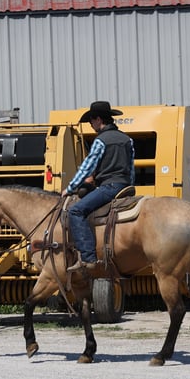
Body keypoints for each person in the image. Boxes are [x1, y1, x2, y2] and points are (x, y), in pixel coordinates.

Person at [62, 101, 135, 271]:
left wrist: (70, 188)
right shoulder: (127, 139)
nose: (91, 124)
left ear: (98, 119)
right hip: (125, 186)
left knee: (76, 211)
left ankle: (88, 258)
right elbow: (131, 169)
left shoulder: (100, 141)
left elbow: (87, 167)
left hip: (109, 187)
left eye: (91, 121)